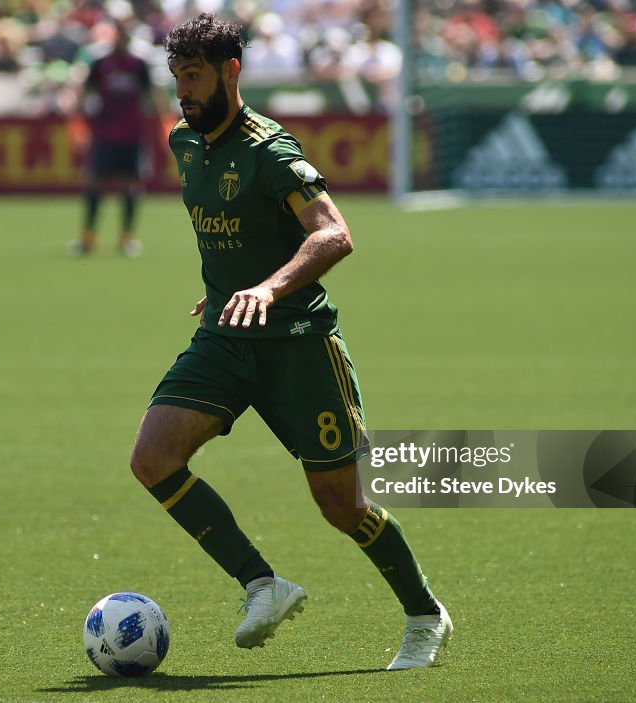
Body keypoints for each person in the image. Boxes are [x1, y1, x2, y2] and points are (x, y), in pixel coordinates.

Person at [128, 13, 452, 671]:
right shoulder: (184, 143)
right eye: (176, 77)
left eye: (193, 76)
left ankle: (424, 614)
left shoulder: (271, 149)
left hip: (301, 343)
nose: (183, 90)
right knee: (152, 456)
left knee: (342, 505)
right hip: (226, 334)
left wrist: (269, 288)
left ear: (231, 71)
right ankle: (262, 584)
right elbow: (231, 233)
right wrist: (226, 287)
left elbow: (333, 233)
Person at [69, 20, 162, 258]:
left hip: (131, 134)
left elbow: (150, 94)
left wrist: (162, 122)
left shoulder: (138, 65)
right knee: (96, 183)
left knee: (131, 184)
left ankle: (126, 237)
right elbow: (86, 92)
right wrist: (79, 123)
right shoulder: (101, 64)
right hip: (105, 133)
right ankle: (88, 237)